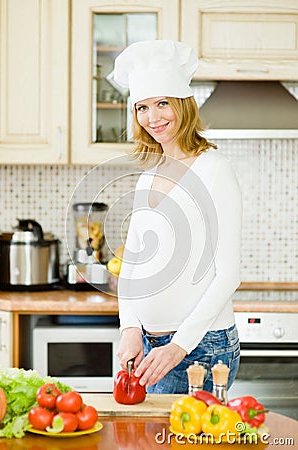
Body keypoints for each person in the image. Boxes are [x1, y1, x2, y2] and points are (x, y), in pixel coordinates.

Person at [113, 40, 242, 394]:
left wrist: (179, 347)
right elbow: (133, 266)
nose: (152, 117)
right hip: (152, 349)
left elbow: (228, 274)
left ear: (183, 105)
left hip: (200, 347)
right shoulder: (147, 177)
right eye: (142, 107)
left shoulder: (214, 170)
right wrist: (130, 329)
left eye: (162, 103)